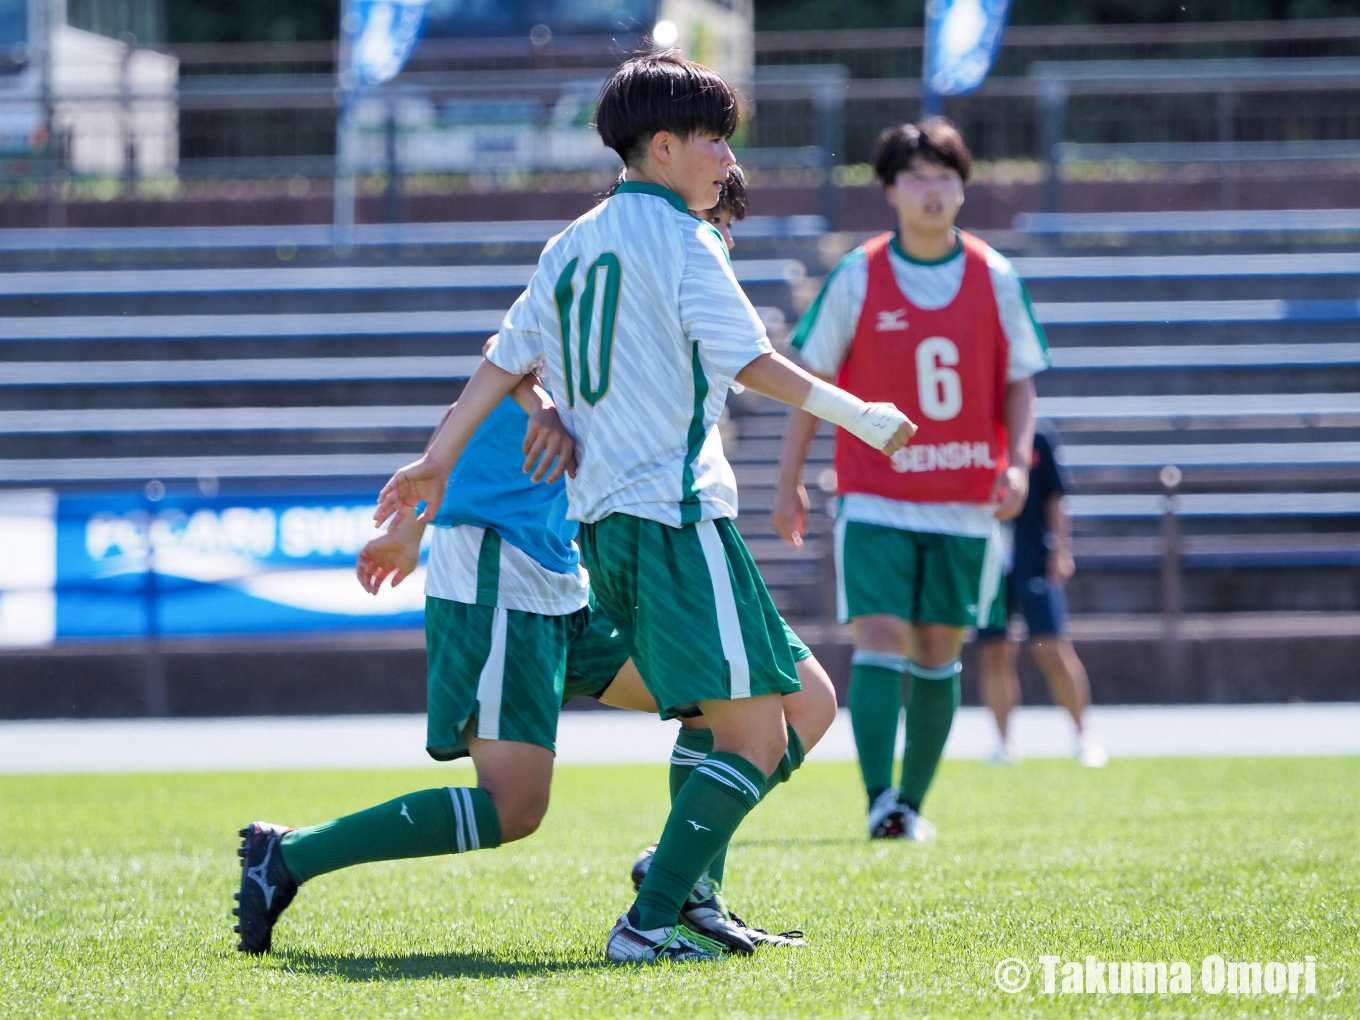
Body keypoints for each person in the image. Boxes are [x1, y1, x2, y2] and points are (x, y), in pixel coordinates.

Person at [371, 50, 915, 963]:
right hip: (671, 519)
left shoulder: (573, 240)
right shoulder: (678, 237)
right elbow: (749, 360)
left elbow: (506, 359)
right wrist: (857, 413)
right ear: (664, 147)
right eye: (713, 142)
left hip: (616, 527)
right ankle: (652, 918)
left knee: (809, 702)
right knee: (755, 732)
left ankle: (685, 881)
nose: (726, 161)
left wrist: (436, 458)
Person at [231, 167, 833, 959]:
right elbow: (497, 363)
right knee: (514, 808)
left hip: (578, 581)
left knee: (788, 704)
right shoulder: (600, 285)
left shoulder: (669, 309)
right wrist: (418, 525)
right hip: (501, 579)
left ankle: (684, 882)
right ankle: (291, 855)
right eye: (708, 219)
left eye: (723, 228)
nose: (714, 239)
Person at [772, 117, 1049, 842]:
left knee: (937, 649)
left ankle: (911, 806)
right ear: (890, 190)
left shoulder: (996, 275)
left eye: (946, 177)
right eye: (918, 178)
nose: (933, 192)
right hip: (876, 495)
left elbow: (1022, 382)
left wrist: (1016, 461)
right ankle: (876, 798)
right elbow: (812, 379)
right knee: (883, 634)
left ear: (964, 188)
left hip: (964, 503)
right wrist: (789, 478)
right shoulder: (860, 273)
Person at [975, 423, 1107, 768]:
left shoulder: (1038, 436)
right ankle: (1004, 745)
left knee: (1052, 647)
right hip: (986, 561)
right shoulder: (973, 432)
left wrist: (1061, 551)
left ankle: (1083, 737)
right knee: (995, 652)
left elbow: (1055, 498)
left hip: (1033, 558)